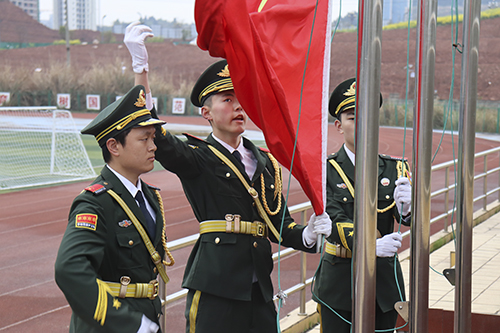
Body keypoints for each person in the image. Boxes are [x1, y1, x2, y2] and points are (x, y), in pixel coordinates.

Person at [124, 22, 332, 333]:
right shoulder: (198, 157)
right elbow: (155, 131)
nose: (237, 106)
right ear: (206, 113)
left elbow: (278, 224)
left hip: (259, 291)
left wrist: (308, 234)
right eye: (226, 99)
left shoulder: (265, 161)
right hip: (216, 289)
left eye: (239, 98)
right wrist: (141, 69)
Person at [54, 85, 174, 333]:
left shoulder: (150, 197)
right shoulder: (95, 202)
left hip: (147, 318)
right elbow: (69, 269)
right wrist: (131, 323)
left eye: (153, 138)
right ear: (114, 146)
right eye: (144, 139)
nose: (153, 146)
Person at [312, 78, 412, 332]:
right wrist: (369, 246)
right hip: (339, 280)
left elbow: (409, 221)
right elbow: (331, 220)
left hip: (382, 281)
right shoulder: (326, 170)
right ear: (339, 125)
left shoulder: (396, 168)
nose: (362, 123)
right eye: (352, 117)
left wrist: (408, 209)